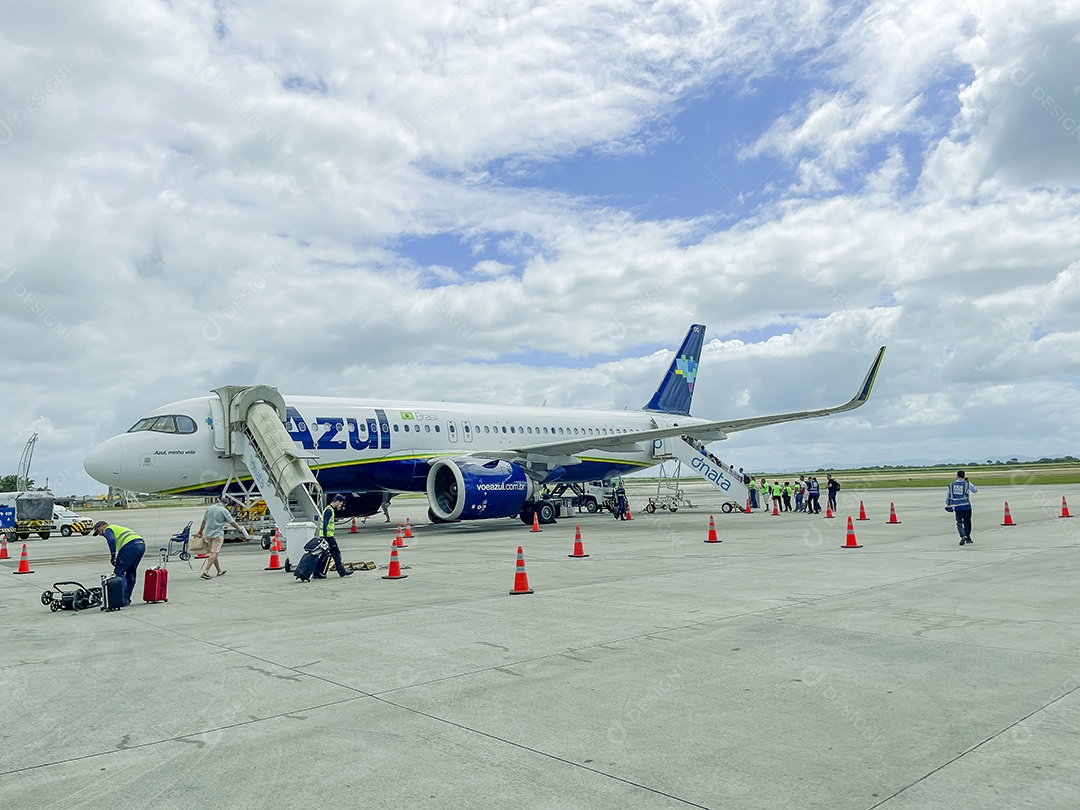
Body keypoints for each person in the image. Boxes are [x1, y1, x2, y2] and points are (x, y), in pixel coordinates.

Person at [193, 496, 248, 580]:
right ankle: (206, 571)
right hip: (217, 534)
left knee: (214, 553)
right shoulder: (224, 510)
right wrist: (239, 528)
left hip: (208, 534)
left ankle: (219, 571)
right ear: (226, 504)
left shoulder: (210, 508)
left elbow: (204, 521)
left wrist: (200, 532)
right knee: (214, 552)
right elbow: (232, 522)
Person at [93, 521, 145, 607]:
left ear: (102, 526)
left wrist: (113, 555)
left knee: (119, 572)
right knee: (131, 572)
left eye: (98, 531)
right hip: (141, 544)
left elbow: (111, 540)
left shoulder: (108, 529)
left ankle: (122, 599)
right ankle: (126, 599)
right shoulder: (117, 528)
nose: (99, 534)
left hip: (130, 546)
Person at [315, 494, 354, 578]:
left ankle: (318, 572)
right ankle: (341, 571)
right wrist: (325, 536)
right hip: (328, 537)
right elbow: (325, 523)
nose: (340, 505)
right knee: (336, 553)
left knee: (325, 555)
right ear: (337, 502)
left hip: (326, 536)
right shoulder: (329, 510)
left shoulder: (329, 509)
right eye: (340, 503)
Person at [945, 470, 978, 545]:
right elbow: (975, 490)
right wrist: (968, 482)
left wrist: (948, 504)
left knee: (959, 522)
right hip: (966, 506)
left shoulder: (951, 485)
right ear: (964, 476)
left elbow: (948, 495)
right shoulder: (966, 484)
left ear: (957, 476)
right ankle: (968, 537)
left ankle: (963, 535)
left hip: (957, 507)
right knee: (967, 522)